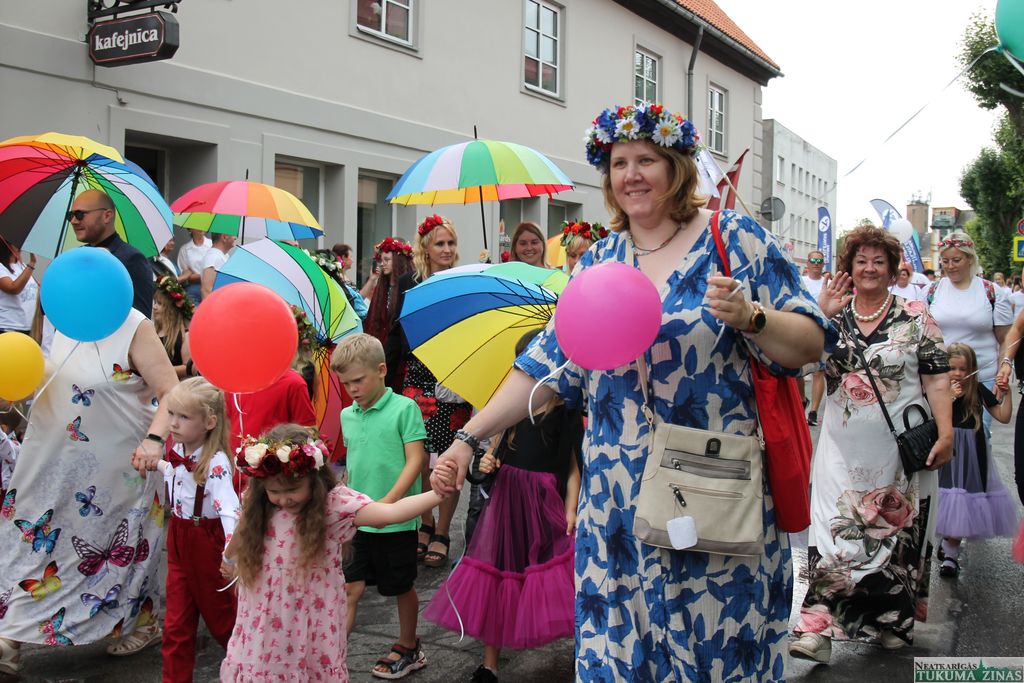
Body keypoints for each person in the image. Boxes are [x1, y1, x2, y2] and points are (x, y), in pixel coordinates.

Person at [431, 102, 827, 680]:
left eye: (646, 160)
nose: (631, 175)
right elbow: (543, 367)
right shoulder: (600, 259)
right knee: (617, 658)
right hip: (615, 507)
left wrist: (753, 317)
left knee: (715, 652)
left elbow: (812, 341)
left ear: (676, 167)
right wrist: (467, 439)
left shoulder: (734, 239)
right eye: (619, 163)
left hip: (711, 492)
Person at [790, 225, 953, 664]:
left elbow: (937, 379)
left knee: (893, 535)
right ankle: (817, 630)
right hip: (839, 450)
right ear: (848, 267)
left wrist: (946, 432)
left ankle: (889, 620)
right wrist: (817, 315)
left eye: (879, 261)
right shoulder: (831, 316)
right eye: (861, 261)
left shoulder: (916, 316)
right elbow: (796, 365)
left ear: (893, 269)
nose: (869, 268)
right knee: (833, 532)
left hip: (896, 449)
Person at [0, 303, 177, 675]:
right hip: (51, 461)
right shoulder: (61, 318)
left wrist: (155, 440)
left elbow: (171, 392)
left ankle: (141, 622)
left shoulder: (134, 326)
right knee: (29, 543)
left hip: (119, 468)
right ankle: (10, 633)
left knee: (115, 548)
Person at [219, 423, 443, 682]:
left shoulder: (332, 504)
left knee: (306, 666)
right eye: (274, 492)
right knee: (262, 665)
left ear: (314, 479)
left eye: (292, 490)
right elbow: (243, 530)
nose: (283, 499)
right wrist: (229, 558)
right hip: (262, 613)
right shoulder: (258, 502)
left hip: (308, 615)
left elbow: (389, 514)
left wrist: (438, 494)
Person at [424, 330, 581, 683]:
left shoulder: (565, 410)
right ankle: (490, 664)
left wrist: (571, 508)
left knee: (556, 573)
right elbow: (495, 450)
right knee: (498, 573)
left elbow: (573, 466)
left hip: (545, 499)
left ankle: (583, 648)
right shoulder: (510, 411)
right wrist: (488, 462)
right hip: (508, 498)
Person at [331, 334, 429, 679]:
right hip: (358, 518)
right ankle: (331, 659)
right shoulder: (347, 414)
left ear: (382, 370)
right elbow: (354, 462)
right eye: (346, 384)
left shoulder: (405, 408)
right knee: (349, 587)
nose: (352, 389)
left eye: (358, 380)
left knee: (400, 585)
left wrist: (388, 503)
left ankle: (409, 645)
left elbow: (416, 460)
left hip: (396, 519)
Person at [387, 213, 469, 568]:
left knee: (449, 458)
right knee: (419, 457)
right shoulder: (410, 282)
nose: (446, 249)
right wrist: (388, 379)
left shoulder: (463, 280)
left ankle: (444, 530)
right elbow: (397, 329)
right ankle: (425, 521)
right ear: (426, 248)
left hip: (452, 376)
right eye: (440, 243)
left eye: (451, 243)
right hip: (417, 376)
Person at [158, 378, 239, 682]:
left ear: (209, 422)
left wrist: (230, 553)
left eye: (184, 417)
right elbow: (175, 472)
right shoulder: (177, 449)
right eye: (171, 414)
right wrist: (156, 464)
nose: (173, 423)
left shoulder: (215, 463)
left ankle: (254, 669)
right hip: (178, 537)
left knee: (223, 620)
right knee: (176, 624)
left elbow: (229, 509)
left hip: (206, 541)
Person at [935, 343, 1017, 578]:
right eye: (952, 368)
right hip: (949, 451)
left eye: (963, 369)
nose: (958, 374)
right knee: (947, 497)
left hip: (973, 454)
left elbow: (1003, 416)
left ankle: (951, 553)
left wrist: (1007, 394)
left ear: (972, 370)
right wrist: (950, 397)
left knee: (965, 500)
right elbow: (933, 416)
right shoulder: (939, 390)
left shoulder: (978, 390)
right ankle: (947, 543)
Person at [927, 232, 1013, 432]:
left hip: (982, 379)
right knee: (943, 434)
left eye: (956, 260)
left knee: (978, 434)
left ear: (970, 259)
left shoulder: (991, 292)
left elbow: (1006, 339)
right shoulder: (931, 292)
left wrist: (1004, 368)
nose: (950, 266)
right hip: (941, 379)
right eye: (945, 261)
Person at [69, 189, 153, 315]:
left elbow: (140, 318)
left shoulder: (131, 259)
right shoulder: (75, 257)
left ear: (107, 216)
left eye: (79, 214)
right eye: (70, 215)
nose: (73, 221)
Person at [223, 367, 317, 455]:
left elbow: (308, 432)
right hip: (237, 460)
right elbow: (228, 423)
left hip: (275, 462)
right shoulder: (234, 381)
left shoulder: (293, 383)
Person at [364, 237, 414, 349]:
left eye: (387, 260)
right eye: (381, 260)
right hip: (381, 346)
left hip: (400, 346)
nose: (382, 264)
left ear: (398, 261)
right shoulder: (381, 288)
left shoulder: (408, 285)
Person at [802, 250, 828, 426]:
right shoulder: (800, 281)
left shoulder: (828, 283)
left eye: (819, 261)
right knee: (798, 370)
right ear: (808, 263)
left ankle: (813, 412)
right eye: (813, 260)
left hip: (822, 329)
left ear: (823, 264)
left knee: (819, 371)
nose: (816, 263)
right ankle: (803, 399)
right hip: (802, 329)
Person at [153, 276, 194, 380]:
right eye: (155, 302)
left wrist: (160, 371)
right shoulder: (153, 332)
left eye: (160, 304)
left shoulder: (184, 336)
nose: (154, 307)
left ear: (171, 309)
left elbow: (188, 367)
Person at [0, 239, 37, 334]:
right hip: (8, 327)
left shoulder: (21, 265)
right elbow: (13, 288)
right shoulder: (1, 267)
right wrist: (32, 263)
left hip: (26, 327)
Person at [176, 229, 211, 304]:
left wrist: (196, 276)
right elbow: (185, 274)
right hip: (194, 288)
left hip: (212, 285)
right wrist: (207, 275)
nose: (201, 227)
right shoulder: (184, 249)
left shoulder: (212, 245)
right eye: (197, 225)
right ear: (190, 229)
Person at [200, 232, 234, 300]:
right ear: (224, 237)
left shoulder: (223, 256)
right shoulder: (212, 257)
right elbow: (206, 290)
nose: (235, 238)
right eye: (233, 235)